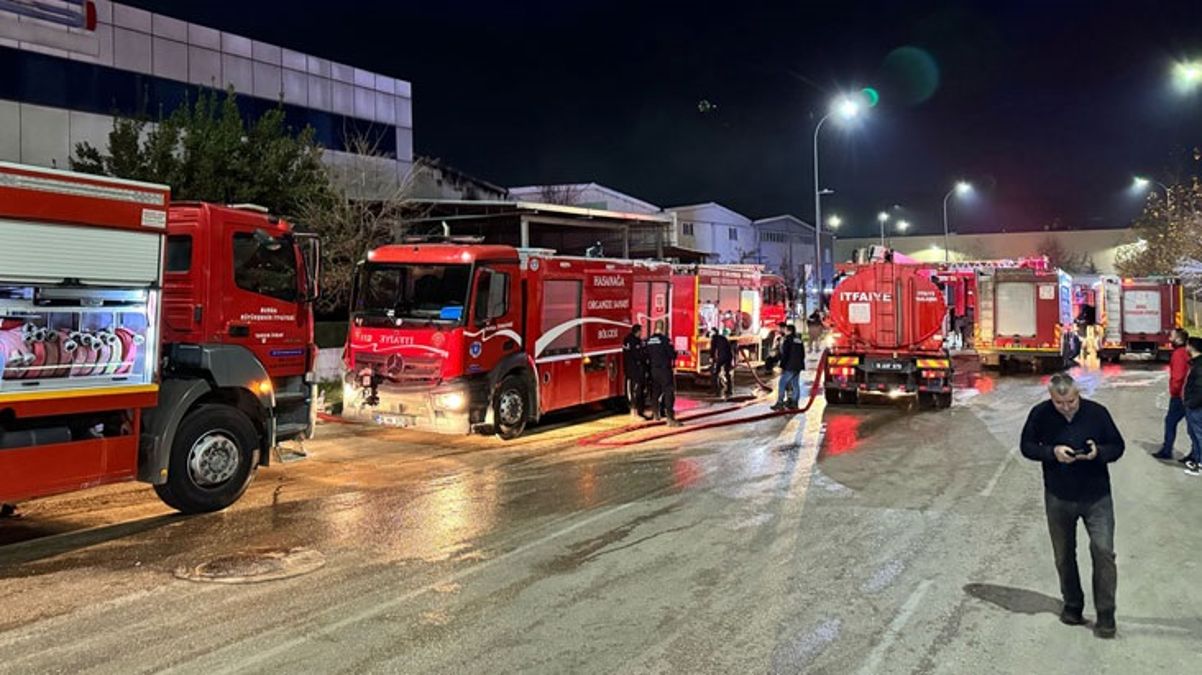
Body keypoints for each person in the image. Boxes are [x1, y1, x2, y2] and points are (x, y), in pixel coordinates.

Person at [1020, 372, 1125, 639]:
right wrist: (1051, 452)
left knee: (1104, 553)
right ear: (1051, 398)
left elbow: (1118, 446)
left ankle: (1105, 615)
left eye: (1071, 401)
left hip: (1097, 497)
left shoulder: (1097, 413)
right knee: (1064, 555)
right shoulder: (1040, 415)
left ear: (1078, 394)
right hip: (1058, 497)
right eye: (1060, 403)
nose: (1067, 407)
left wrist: (1098, 453)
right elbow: (1027, 447)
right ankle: (1073, 605)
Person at [1153, 328, 1191, 461]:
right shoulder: (1186, 352)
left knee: (1170, 422)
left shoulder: (1178, 354)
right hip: (1188, 394)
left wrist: (1175, 391)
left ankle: (1167, 450)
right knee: (1192, 425)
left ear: (1179, 339)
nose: (1169, 338)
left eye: (1172, 336)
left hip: (1180, 395)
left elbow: (1178, 376)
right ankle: (1195, 453)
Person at [646, 321, 680, 427]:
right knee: (669, 392)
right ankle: (670, 418)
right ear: (663, 328)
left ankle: (655, 414)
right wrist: (675, 353)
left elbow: (646, 355)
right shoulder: (665, 340)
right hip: (664, 370)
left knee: (655, 392)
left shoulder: (649, 341)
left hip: (653, 370)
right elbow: (672, 355)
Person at [771, 324, 805, 410]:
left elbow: (785, 354)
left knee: (782, 383)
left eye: (786, 330)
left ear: (789, 331)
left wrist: (782, 366)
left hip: (790, 366)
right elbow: (803, 354)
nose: (784, 331)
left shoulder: (787, 340)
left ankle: (780, 402)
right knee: (795, 384)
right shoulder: (799, 340)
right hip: (798, 366)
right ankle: (794, 403)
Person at [1181, 337, 1202, 475]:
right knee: (1194, 434)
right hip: (1193, 405)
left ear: (1192, 347)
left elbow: (1200, 389)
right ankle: (1197, 459)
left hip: (1196, 406)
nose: (1185, 348)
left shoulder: (1199, 366)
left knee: (1199, 434)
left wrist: (1191, 403)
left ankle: (1200, 465)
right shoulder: (1195, 363)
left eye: (1187, 345)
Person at [622, 323, 648, 418]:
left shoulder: (636, 341)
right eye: (640, 331)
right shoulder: (631, 341)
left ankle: (640, 411)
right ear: (637, 332)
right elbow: (637, 355)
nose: (641, 333)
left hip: (638, 371)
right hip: (632, 371)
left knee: (639, 391)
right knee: (633, 391)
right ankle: (633, 411)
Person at [709, 327, 734, 399]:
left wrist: (712, 358)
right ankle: (730, 390)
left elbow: (713, 349)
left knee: (716, 373)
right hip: (728, 356)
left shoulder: (714, 339)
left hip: (722, 357)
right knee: (727, 373)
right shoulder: (723, 338)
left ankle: (716, 390)